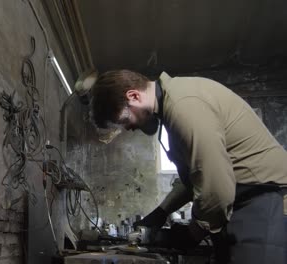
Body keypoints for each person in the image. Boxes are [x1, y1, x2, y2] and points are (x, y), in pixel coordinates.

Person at [90, 70, 287, 263]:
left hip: (266, 197)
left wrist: (192, 233)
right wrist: (162, 212)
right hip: (244, 200)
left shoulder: (184, 106)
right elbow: (197, 174)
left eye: (125, 121)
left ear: (134, 96)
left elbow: (216, 185)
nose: (130, 129)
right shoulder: (171, 107)